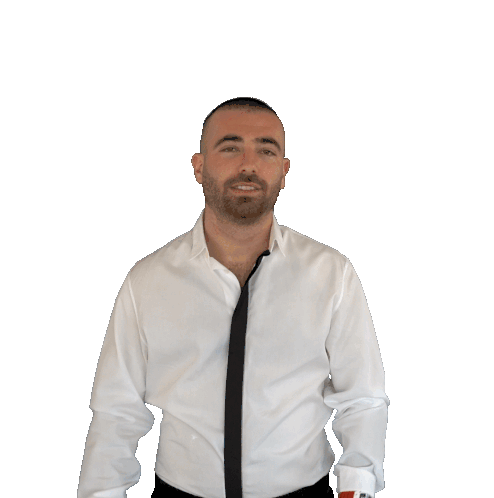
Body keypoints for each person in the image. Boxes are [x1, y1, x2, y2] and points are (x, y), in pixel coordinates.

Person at [77, 97, 389, 498]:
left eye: (266, 150)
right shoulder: (147, 280)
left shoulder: (332, 274)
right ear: (199, 167)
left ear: (284, 171)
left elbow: (362, 397)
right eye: (230, 147)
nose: (248, 164)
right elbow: (117, 410)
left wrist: (357, 488)